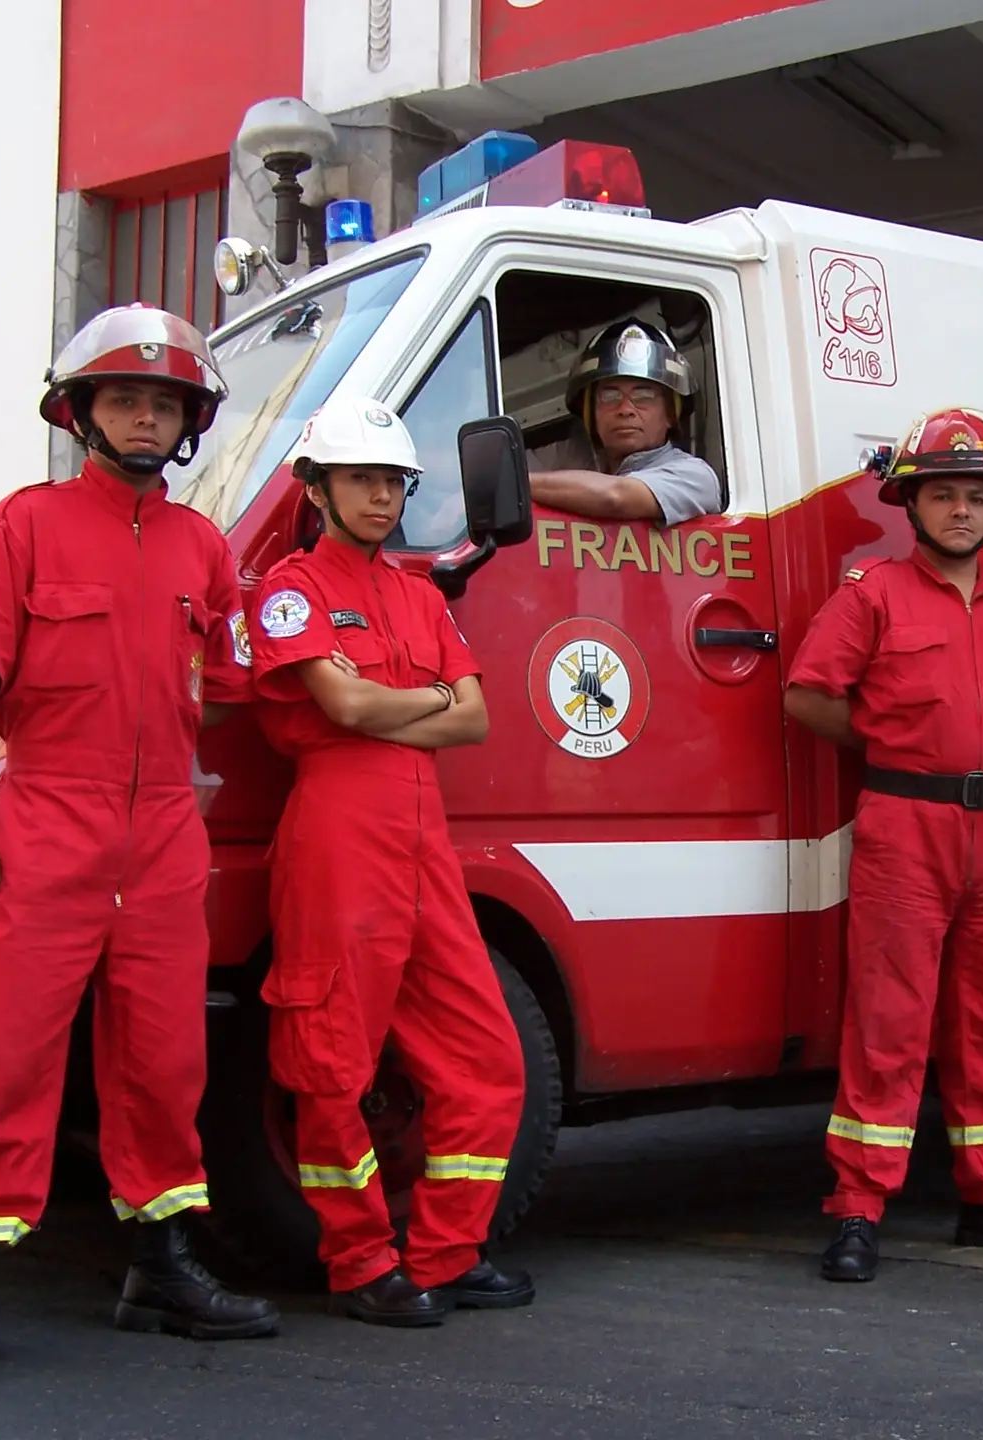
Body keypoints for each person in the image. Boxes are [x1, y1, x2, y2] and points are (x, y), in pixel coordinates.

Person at [0, 304, 279, 1386]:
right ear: (81, 411)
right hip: (47, 821)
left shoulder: (205, 547)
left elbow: (235, 687)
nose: (146, 418)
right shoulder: (24, 525)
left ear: (188, 421)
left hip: (161, 843)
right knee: (2, 1057)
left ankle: (160, 1267)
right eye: (125, 398)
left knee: (164, 1060)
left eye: (165, 403)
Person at [785, 407, 983, 1282]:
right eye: (944, 494)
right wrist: (896, 742)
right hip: (904, 821)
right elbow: (809, 698)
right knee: (889, 1017)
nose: (961, 510)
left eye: (976, 496)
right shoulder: (870, 594)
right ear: (910, 506)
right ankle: (857, 1206)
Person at [247, 396, 530, 1326]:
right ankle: (362, 1261)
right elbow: (347, 713)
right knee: (332, 1063)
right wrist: (423, 701)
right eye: (362, 479)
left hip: (423, 848)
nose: (381, 496)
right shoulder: (289, 589)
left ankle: (447, 1253)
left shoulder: (416, 594)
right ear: (317, 490)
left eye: (392, 481)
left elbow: (479, 719)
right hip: (337, 838)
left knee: (486, 1058)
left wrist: (383, 698)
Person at [528, 319, 721, 524]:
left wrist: (517, 486)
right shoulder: (575, 461)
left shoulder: (695, 476)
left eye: (643, 396)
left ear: (671, 414)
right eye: (610, 396)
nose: (625, 410)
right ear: (591, 413)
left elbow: (616, 497)